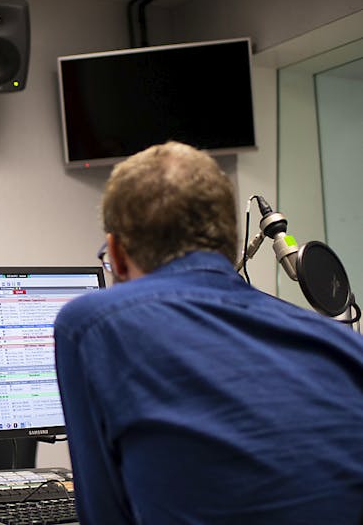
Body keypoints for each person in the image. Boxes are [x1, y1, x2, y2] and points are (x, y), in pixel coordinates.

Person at [53, 141, 363, 524]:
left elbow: (104, 513)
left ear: (115, 254)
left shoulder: (90, 323)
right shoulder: (346, 346)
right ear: (229, 243)